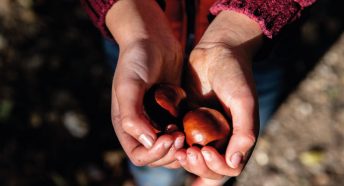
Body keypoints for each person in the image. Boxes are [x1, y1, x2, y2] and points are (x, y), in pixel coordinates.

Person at [81, 0, 316, 185]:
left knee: (248, 113)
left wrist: (245, 24)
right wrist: (134, 25)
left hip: (256, 40)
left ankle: (209, 177)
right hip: (134, 26)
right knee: (154, 156)